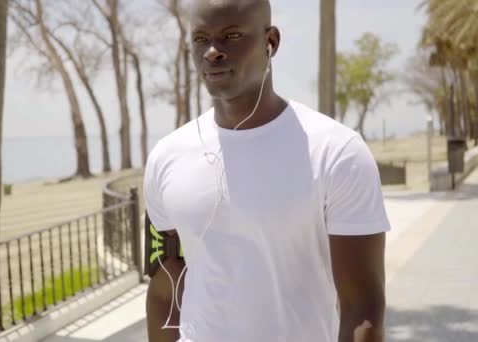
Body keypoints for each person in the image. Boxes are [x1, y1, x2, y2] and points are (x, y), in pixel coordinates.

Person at [142, 0, 390, 341]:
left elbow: (362, 304)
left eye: (231, 35)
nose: (212, 51)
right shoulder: (165, 158)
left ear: (270, 41)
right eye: (201, 39)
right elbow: (164, 289)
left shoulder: (337, 152)